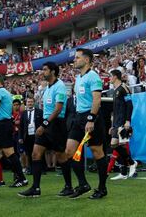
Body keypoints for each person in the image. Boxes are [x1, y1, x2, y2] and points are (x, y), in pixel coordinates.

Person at [18, 62, 71, 197]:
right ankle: (35, 188)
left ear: (53, 71)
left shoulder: (60, 86)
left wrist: (44, 124)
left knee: (61, 156)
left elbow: (58, 109)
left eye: (45, 69)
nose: (43, 72)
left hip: (56, 124)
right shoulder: (47, 88)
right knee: (36, 154)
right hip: (47, 124)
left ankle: (69, 186)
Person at [64, 48, 108, 199]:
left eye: (77, 58)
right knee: (69, 151)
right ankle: (83, 184)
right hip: (78, 118)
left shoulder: (93, 76)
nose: (74, 60)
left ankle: (102, 188)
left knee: (97, 152)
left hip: (92, 117)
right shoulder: (79, 78)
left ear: (87, 60)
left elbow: (97, 100)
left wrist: (91, 118)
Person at [108, 70, 137, 180]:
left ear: (115, 77)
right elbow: (115, 110)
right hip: (116, 123)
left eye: (110, 76)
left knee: (117, 145)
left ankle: (131, 164)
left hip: (122, 122)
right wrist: (112, 124)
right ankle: (124, 171)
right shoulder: (115, 91)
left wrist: (127, 120)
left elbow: (130, 105)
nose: (109, 79)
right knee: (116, 146)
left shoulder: (124, 88)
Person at [19, 97, 43, 174]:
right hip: (27, 135)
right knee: (28, 153)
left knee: (38, 152)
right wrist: (20, 137)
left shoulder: (39, 112)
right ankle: (31, 169)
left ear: (34, 102)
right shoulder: (23, 113)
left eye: (31, 102)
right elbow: (21, 126)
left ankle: (41, 169)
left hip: (37, 135)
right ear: (26, 103)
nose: (30, 103)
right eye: (28, 102)